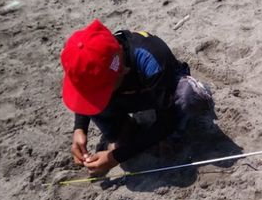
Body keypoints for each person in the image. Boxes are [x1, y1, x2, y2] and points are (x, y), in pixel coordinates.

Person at [60, 19, 214, 176]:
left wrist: (116, 157)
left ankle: (171, 138)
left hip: (160, 89)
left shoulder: (151, 59)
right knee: (94, 103)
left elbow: (167, 120)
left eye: (102, 89)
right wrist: (80, 128)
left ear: (121, 70)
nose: (97, 95)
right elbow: (84, 92)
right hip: (128, 95)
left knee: (188, 96)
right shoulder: (97, 61)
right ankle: (124, 129)